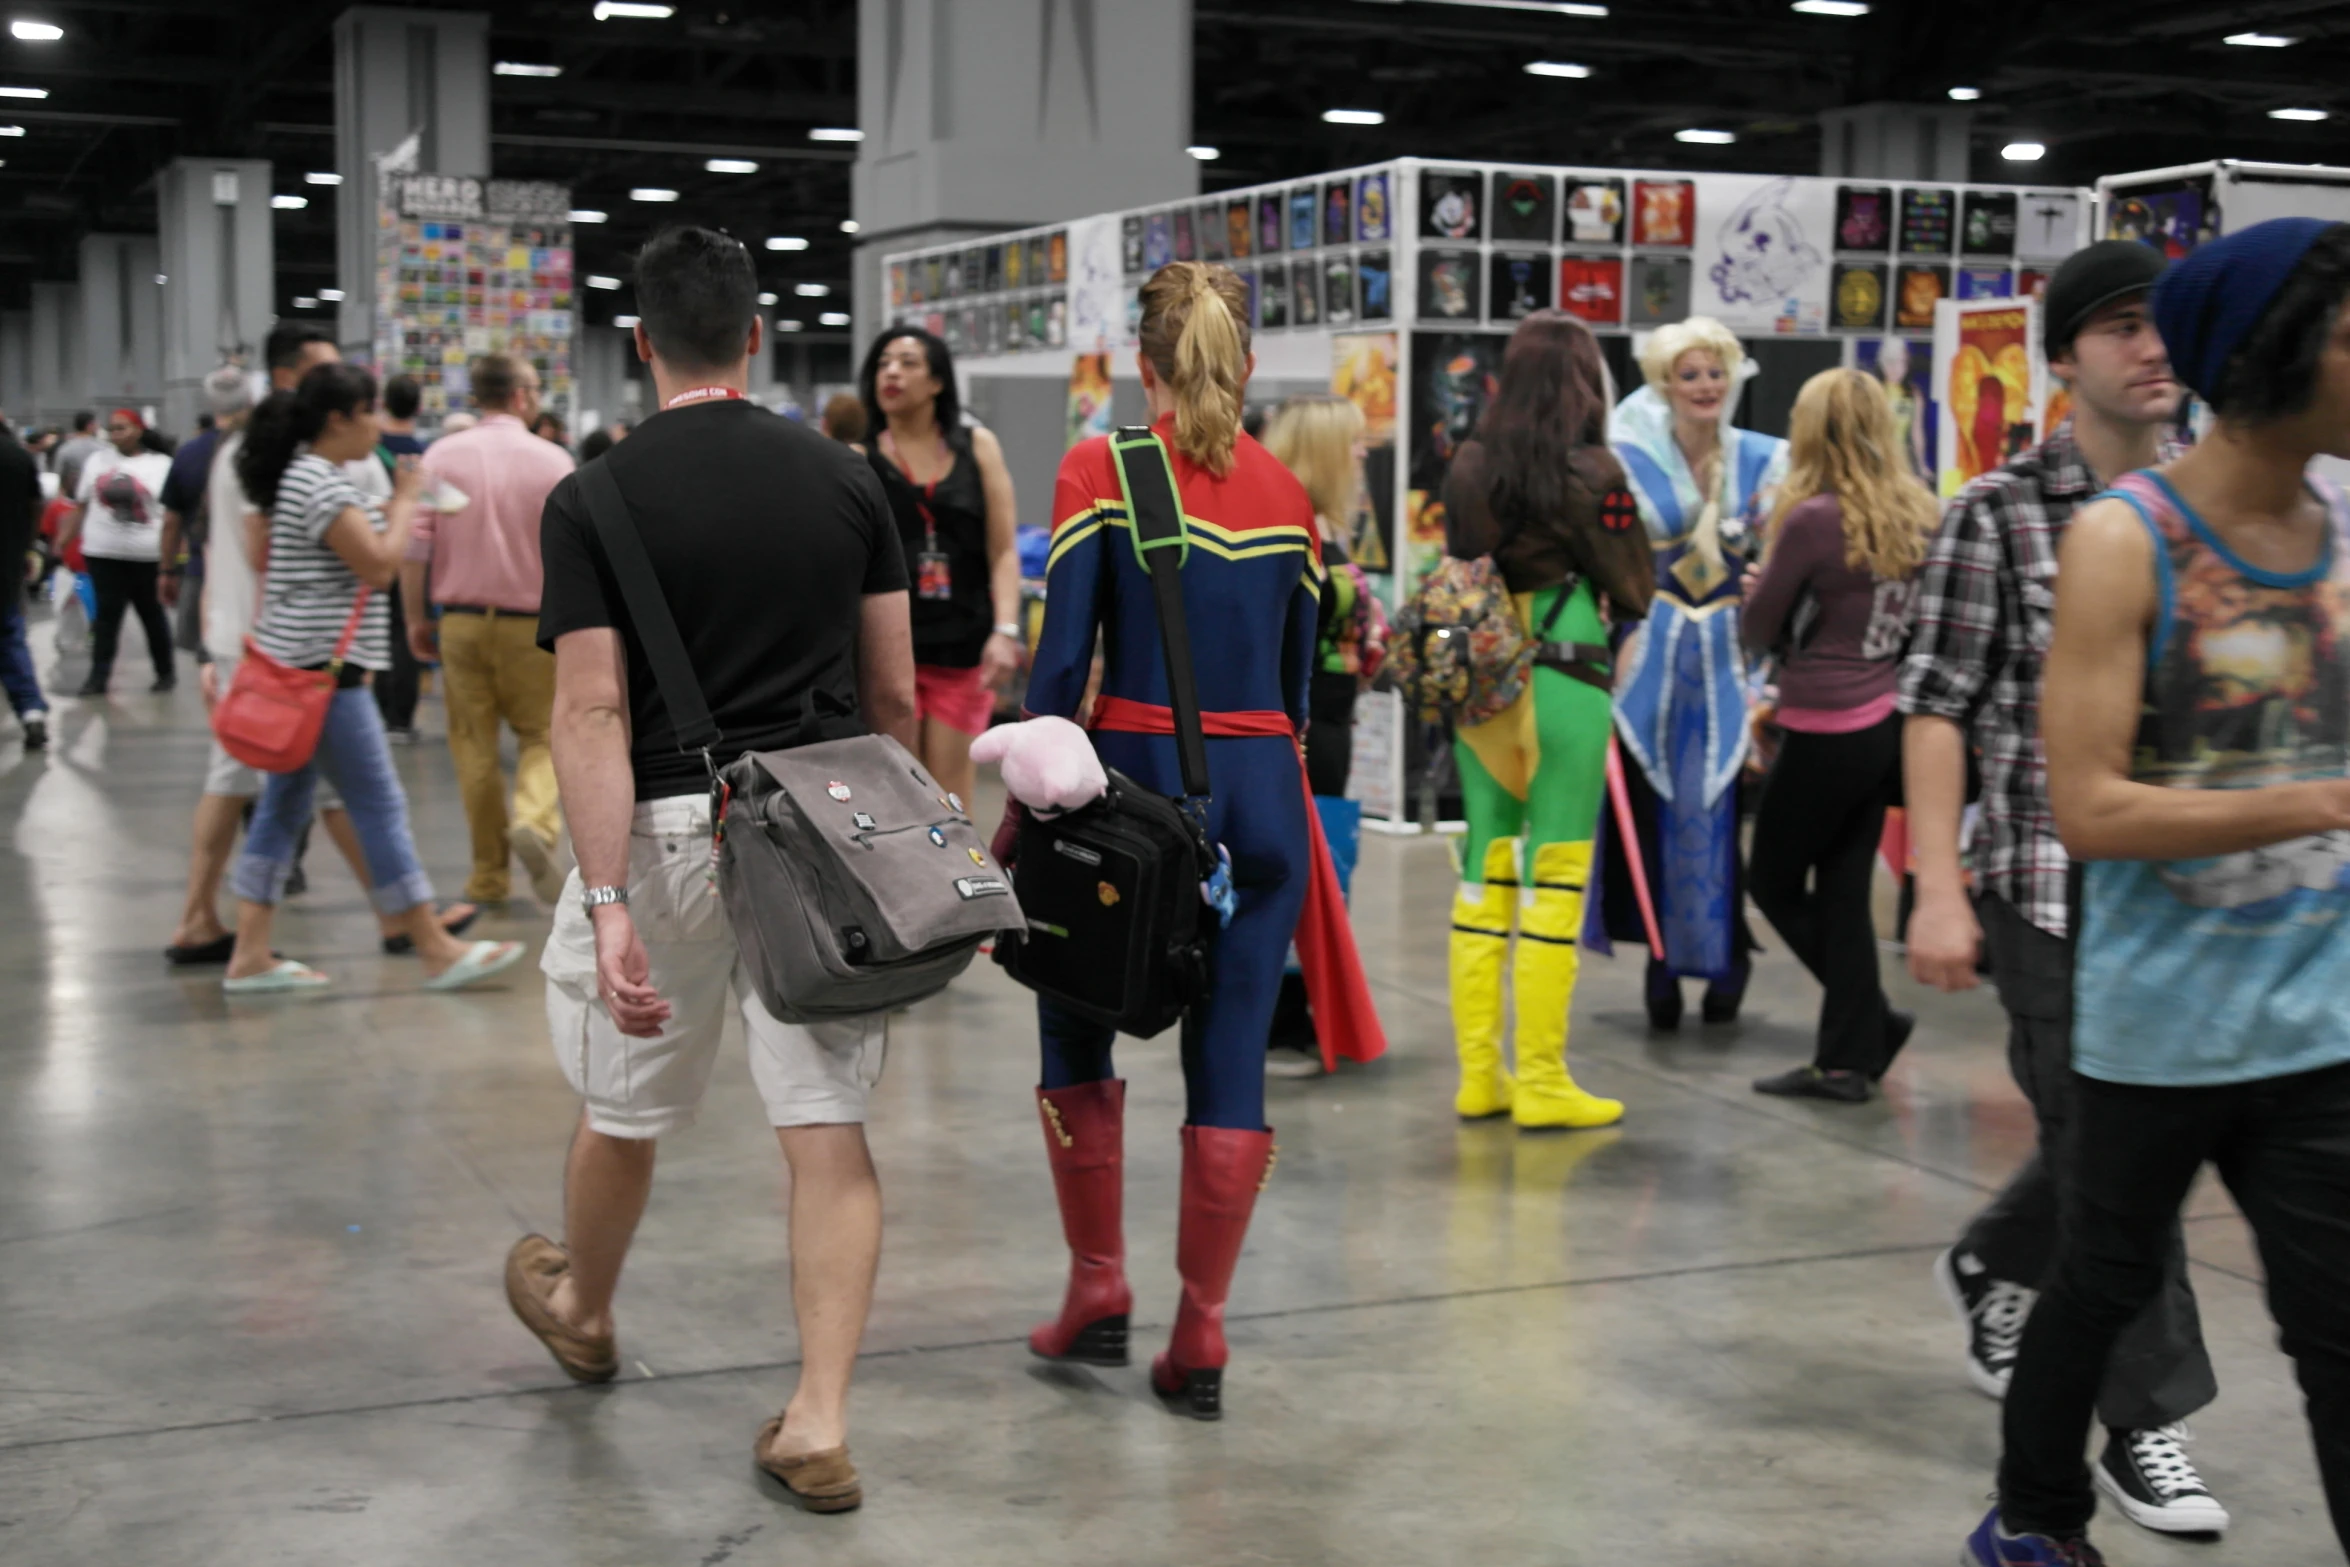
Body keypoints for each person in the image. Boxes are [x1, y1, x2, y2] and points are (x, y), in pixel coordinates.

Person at [505, 226, 913, 1513]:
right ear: (753, 337)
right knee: (825, 1130)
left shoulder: (593, 498)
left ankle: (585, 1306)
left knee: (621, 1107)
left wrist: (611, 897)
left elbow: (588, 714)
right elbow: (894, 692)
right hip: (819, 839)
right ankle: (820, 1421)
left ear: (640, 347)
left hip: (674, 833)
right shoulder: (853, 482)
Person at [1964, 218, 2350, 1566]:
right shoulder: (2125, 540)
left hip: (2318, 1021)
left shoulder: (2345, 526)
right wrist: (2320, 800)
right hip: (2156, 1020)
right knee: (2100, 1281)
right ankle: (2034, 1517)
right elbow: (2088, 807)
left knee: (2334, 1327)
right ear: (2275, 355)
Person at [1900, 240, 2229, 1539]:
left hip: (2207, 898)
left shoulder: (2225, 506)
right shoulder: (1994, 512)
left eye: (2169, 326)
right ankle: (2142, 1419)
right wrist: (1936, 885)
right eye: (2123, 326)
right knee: (2114, 1161)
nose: (2152, 348)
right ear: (2063, 356)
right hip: (2048, 888)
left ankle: (1992, 1255)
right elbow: (1935, 708)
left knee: (2143, 1146)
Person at [1020, 260, 1325, 1419]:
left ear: (1140, 366)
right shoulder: (1291, 495)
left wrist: (1026, 809)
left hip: (1132, 791)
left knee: (1071, 1018)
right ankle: (1201, 1331)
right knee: (1233, 1050)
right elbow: (1298, 689)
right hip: (1265, 800)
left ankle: (1098, 1287)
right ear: (1240, 367)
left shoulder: (1100, 469)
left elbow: (1058, 673)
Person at [218, 361, 523, 995]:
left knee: (282, 811)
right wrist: (409, 500)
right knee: (379, 806)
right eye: (369, 414)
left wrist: (393, 504)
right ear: (340, 418)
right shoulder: (318, 482)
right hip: (326, 676)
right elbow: (382, 566)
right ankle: (434, 946)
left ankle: (250, 953)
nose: (377, 428)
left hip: (298, 670)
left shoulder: (305, 477)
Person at [1439, 311, 1656, 1126]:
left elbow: (1462, 553)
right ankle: (1541, 1079)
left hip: (1482, 669)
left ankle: (1479, 1075)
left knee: (1481, 869)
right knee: (1555, 876)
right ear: (1581, 381)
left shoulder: (1468, 464)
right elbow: (1635, 586)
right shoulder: (1597, 471)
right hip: (1568, 666)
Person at [1740, 369, 1933, 1102]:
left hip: (1823, 724)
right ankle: (1847, 1060)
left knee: (1774, 879)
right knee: (1844, 890)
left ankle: (1867, 1024)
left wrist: (1758, 587)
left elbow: (1759, 629)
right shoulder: (1921, 512)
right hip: (1885, 723)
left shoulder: (1814, 519)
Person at [1597, 316, 1788, 1028]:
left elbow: (1783, 555)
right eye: (1690, 374)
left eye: (1715, 372)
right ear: (1665, 384)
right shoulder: (1631, 458)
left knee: (1723, 817)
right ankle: (1662, 961)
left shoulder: (1768, 460)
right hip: (1654, 660)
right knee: (1659, 815)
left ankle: (1725, 961)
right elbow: (1613, 558)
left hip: (1739, 657)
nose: (1705, 386)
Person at [405, 354, 575, 906]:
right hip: (535, 627)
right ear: (523, 395)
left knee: (473, 748)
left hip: (460, 622)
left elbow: (415, 544)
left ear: (477, 396)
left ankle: (487, 877)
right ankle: (535, 820)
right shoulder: (553, 461)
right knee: (543, 736)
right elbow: (575, 553)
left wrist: (414, 616)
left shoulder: (440, 457)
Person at [858, 326, 1024, 806]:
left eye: (908, 362)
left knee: (951, 800)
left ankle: (955, 883)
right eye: (884, 363)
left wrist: (1006, 630)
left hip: (963, 647)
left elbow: (1003, 550)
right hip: (888, 654)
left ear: (937, 382)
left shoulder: (978, 447)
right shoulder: (858, 457)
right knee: (896, 796)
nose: (892, 372)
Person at [1260, 392, 1375, 1079]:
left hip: (1328, 721)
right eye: (1354, 442)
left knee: (1323, 865)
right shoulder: (1288, 529)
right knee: (1294, 869)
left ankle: (1301, 1016)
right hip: (1294, 727)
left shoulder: (1320, 527)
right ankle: (1280, 1023)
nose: (1364, 454)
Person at [58, 408, 178, 696]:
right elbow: (82, 506)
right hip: (103, 554)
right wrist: (61, 542)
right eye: (111, 429)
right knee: (106, 618)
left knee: (152, 616)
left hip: (146, 557)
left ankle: (165, 673)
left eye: (122, 428)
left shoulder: (161, 464)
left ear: (138, 430)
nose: (115, 435)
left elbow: (174, 515)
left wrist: (173, 559)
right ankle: (98, 678)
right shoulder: (97, 461)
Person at [371, 373, 428, 740]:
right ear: (419, 407)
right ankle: (402, 719)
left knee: (380, 629)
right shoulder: (424, 453)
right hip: (414, 549)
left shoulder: (369, 448)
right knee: (408, 629)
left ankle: (379, 713)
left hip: (372, 546)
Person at [0, 411, 46, 749]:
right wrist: (27, 547)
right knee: (11, 638)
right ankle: (31, 712)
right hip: (7, 564)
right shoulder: (18, 456)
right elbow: (35, 505)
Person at [1873, 337, 1930, 480]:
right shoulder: (1873, 391)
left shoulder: (1913, 393)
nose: (1896, 369)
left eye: (1901, 362)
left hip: (1902, 458)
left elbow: (1917, 431)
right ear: (1882, 363)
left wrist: (1921, 464)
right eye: (1890, 362)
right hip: (1876, 456)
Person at [52, 410, 101, 500]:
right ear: (90, 426)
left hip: (72, 499)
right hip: (97, 499)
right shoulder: (103, 448)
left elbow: (59, 480)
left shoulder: (64, 449)